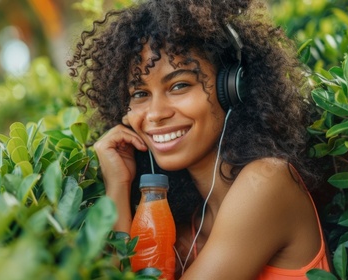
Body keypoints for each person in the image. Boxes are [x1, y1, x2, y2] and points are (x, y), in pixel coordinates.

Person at [67, 0, 331, 279]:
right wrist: (118, 185)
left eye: (179, 85)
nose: (155, 115)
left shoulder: (266, 182)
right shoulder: (187, 224)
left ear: (231, 88)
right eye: (140, 94)